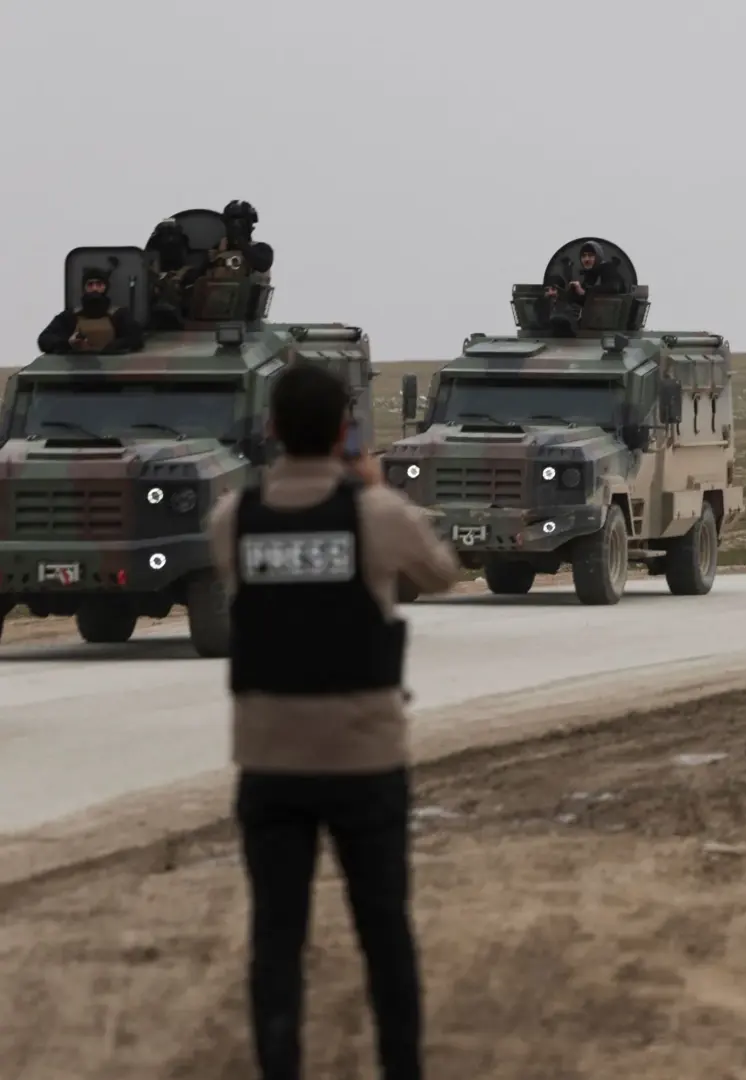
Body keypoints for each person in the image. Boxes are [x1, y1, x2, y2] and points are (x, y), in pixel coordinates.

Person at [208, 363, 462, 1080]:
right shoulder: (375, 515)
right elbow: (441, 573)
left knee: (276, 937)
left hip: (270, 758)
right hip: (363, 758)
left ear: (271, 429)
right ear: (345, 432)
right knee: (383, 930)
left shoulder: (234, 518)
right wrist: (375, 490)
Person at [36, 266, 144, 354]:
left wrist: (112, 347)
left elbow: (135, 338)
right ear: (84, 288)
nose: (94, 288)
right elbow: (45, 339)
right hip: (78, 366)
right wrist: (68, 344)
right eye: (90, 285)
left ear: (105, 287)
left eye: (99, 284)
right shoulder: (70, 316)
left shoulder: (119, 315)